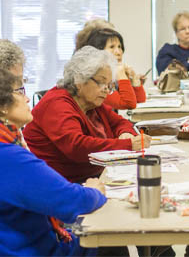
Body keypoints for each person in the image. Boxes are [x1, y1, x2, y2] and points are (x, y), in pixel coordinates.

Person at [0, 68, 107, 256]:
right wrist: (95, 191)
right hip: (37, 250)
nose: (27, 99)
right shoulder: (9, 156)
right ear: (2, 106)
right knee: (107, 236)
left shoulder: (11, 143)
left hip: (24, 242)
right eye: (20, 91)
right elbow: (72, 202)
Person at [23, 46, 151, 183]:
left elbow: (120, 122)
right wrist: (126, 144)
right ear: (79, 80)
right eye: (101, 82)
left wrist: (125, 133)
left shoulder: (91, 102)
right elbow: (76, 146)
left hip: (92, 178)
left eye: (109, 85)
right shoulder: (57, 103)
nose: (106, 90)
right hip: (61, 185)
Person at [79, 27, 147, 110]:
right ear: (98, 50)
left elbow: (140, 101)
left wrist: (135, 81)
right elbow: (128, 104)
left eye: (119, 47)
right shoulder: (96, 78)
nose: (118, 52)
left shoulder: (112, 74)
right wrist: (121, 75)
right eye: (112, 47)